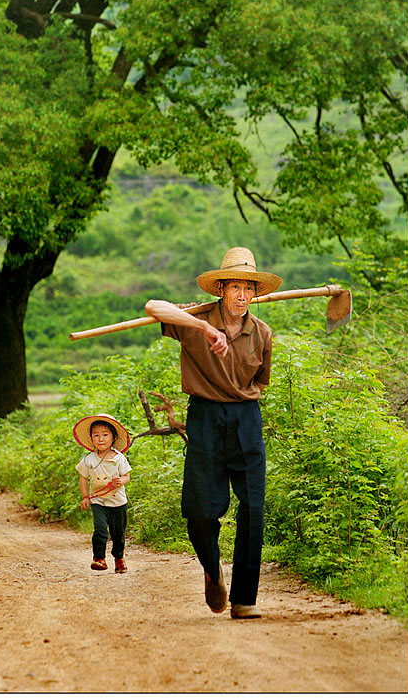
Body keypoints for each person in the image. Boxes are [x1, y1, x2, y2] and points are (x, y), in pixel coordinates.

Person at [145, 247, 282, 619]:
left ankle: (244, 599)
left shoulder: (262, 333)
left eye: (248, 288)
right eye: (235, 286)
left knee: (253, 506)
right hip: (204, 417)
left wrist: (238, 405)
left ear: (255, 293)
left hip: (246, 419)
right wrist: (204, 327)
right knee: (200, 510)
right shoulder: (192, 320)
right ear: (220, 288)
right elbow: (153, 306)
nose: (242, 295)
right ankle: (211, 568)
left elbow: (259, 382)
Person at [73, 413, 132, 574]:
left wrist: (121, 481)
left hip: (118, 502)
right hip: (98, 501)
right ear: (91, 438)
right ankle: (99, 558)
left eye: (105, 435)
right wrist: (85, 497)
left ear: (113, 437)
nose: (100, 439)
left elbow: (127, 475)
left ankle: (119, 557)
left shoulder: (119, 458)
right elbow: (83, 478)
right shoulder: (89, 460)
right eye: (96, 435)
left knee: (118, 533)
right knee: (100, 529)